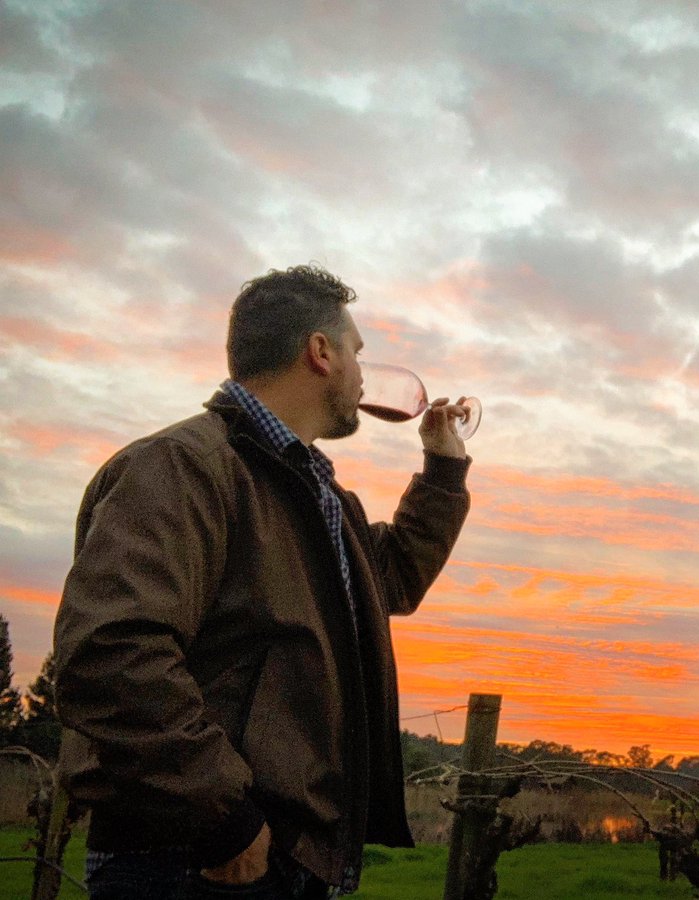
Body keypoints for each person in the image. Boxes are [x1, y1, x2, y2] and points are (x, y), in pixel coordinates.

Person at [53, 265, 471, 899]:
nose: (363, 373)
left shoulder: (318, 494)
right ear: (321, 352)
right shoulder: (181, 466)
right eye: (359, 351)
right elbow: (112, 654)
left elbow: (390, 580)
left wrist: (442, 472)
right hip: (198, 860)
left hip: (279, 857)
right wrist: (225, 819)